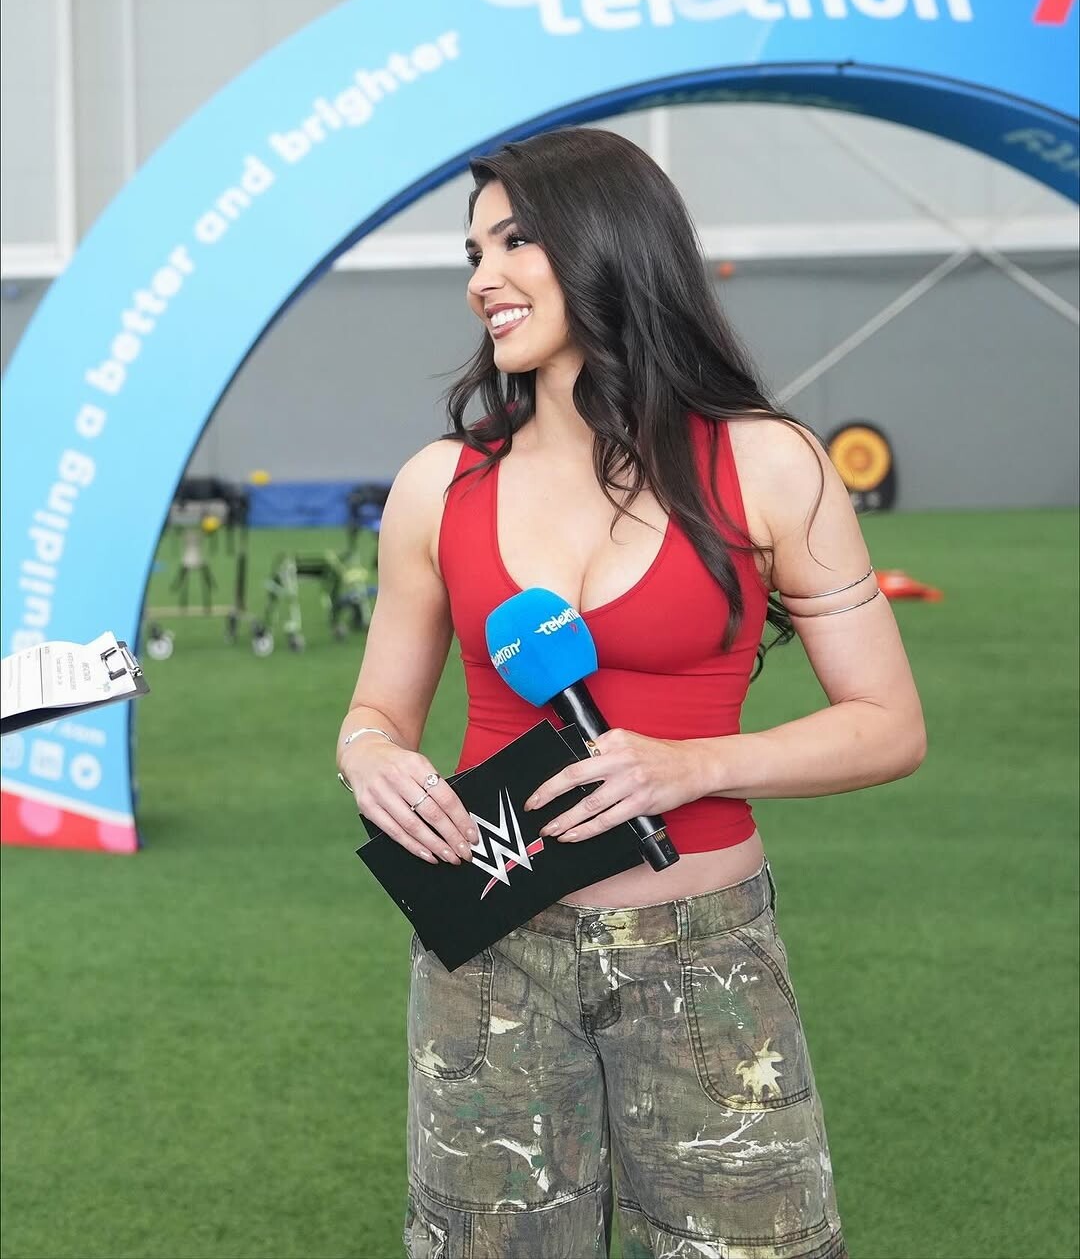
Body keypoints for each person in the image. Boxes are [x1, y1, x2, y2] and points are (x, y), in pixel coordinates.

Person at [336, 127, 926, 1259]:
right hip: (491, 953)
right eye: (472, 252)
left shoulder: (769, 462)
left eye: (516, 240)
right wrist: (369, 756)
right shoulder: (437, 485)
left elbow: (890, 724)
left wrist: (694, 764)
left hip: (704, 952)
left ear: (608, 240)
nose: (483, 278)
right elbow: (376, 714)